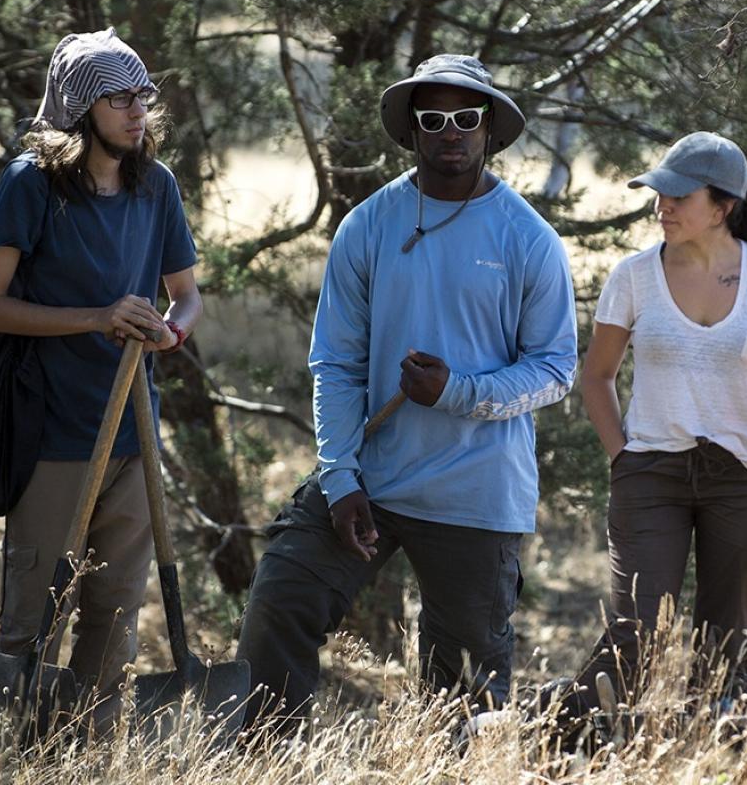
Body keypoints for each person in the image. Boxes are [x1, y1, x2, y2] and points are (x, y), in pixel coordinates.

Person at [236, 54, 577, 732]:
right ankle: (268, 757)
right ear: (412, 129)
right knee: (280, 599)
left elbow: (555, 369)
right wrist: (340, 478)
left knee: (463, 694)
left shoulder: (527, 238)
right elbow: (336, 363)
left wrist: (458, 391)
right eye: (434, 119)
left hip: (476, 494)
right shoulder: (368, 225)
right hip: (372, 479)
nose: (451, 132)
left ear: (490, 128)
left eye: (466, 118)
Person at [0, 28, 200, 732]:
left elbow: (186, 295)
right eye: (118, 98)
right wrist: (98, 318)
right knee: (34, 616)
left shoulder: (156, 185)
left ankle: (90, 751)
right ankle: (12, 751)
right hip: (50, 431)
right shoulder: (30, 185)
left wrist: (170, 332)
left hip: (132, 430)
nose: (137, 111)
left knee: (115, 616)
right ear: (79, 108)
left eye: (143, 95)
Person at [566, 131, 747, 721]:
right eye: (660, 194)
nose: (663, 206)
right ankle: (558, 734)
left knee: (727, 647)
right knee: (637, 635)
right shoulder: (633, 277)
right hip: (651, 475)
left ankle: (711, 751)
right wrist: (624, 459)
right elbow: (596, 377)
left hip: (743, 481)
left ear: (723, 207)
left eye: (679, 196)